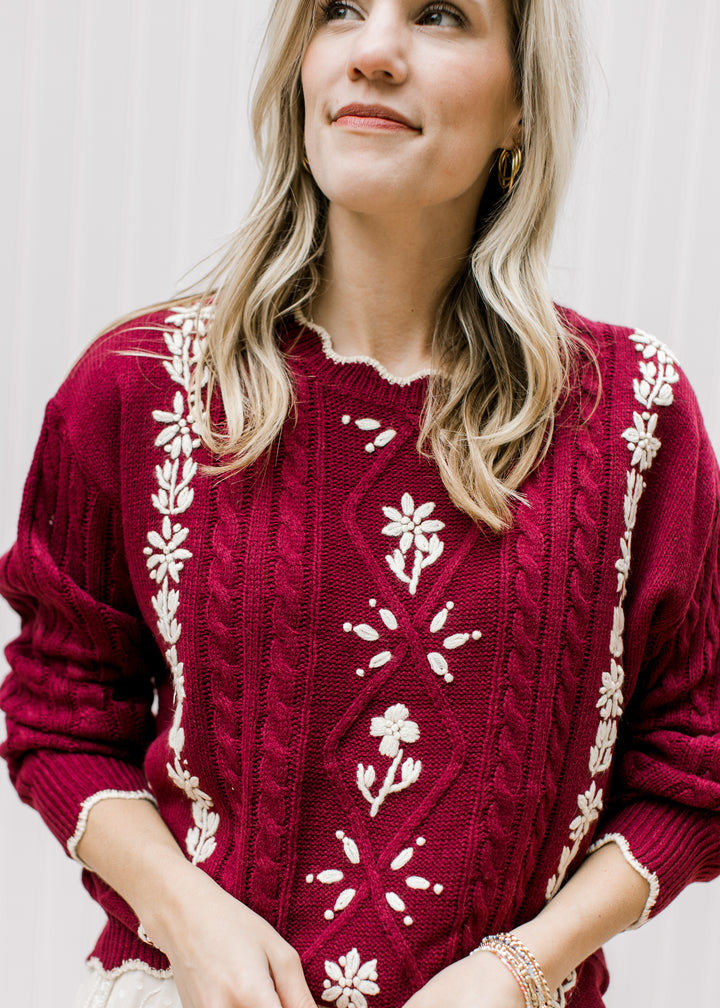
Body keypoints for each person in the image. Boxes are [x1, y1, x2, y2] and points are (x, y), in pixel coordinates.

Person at [1, 1, 719, 1007]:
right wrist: (184, 914)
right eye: (339, 9)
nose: (372, 51)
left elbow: (696, 765)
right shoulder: (140, 387)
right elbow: (61, 711)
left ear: (522, 103)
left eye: (440, 15)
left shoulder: (632, 416)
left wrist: (521, 968)